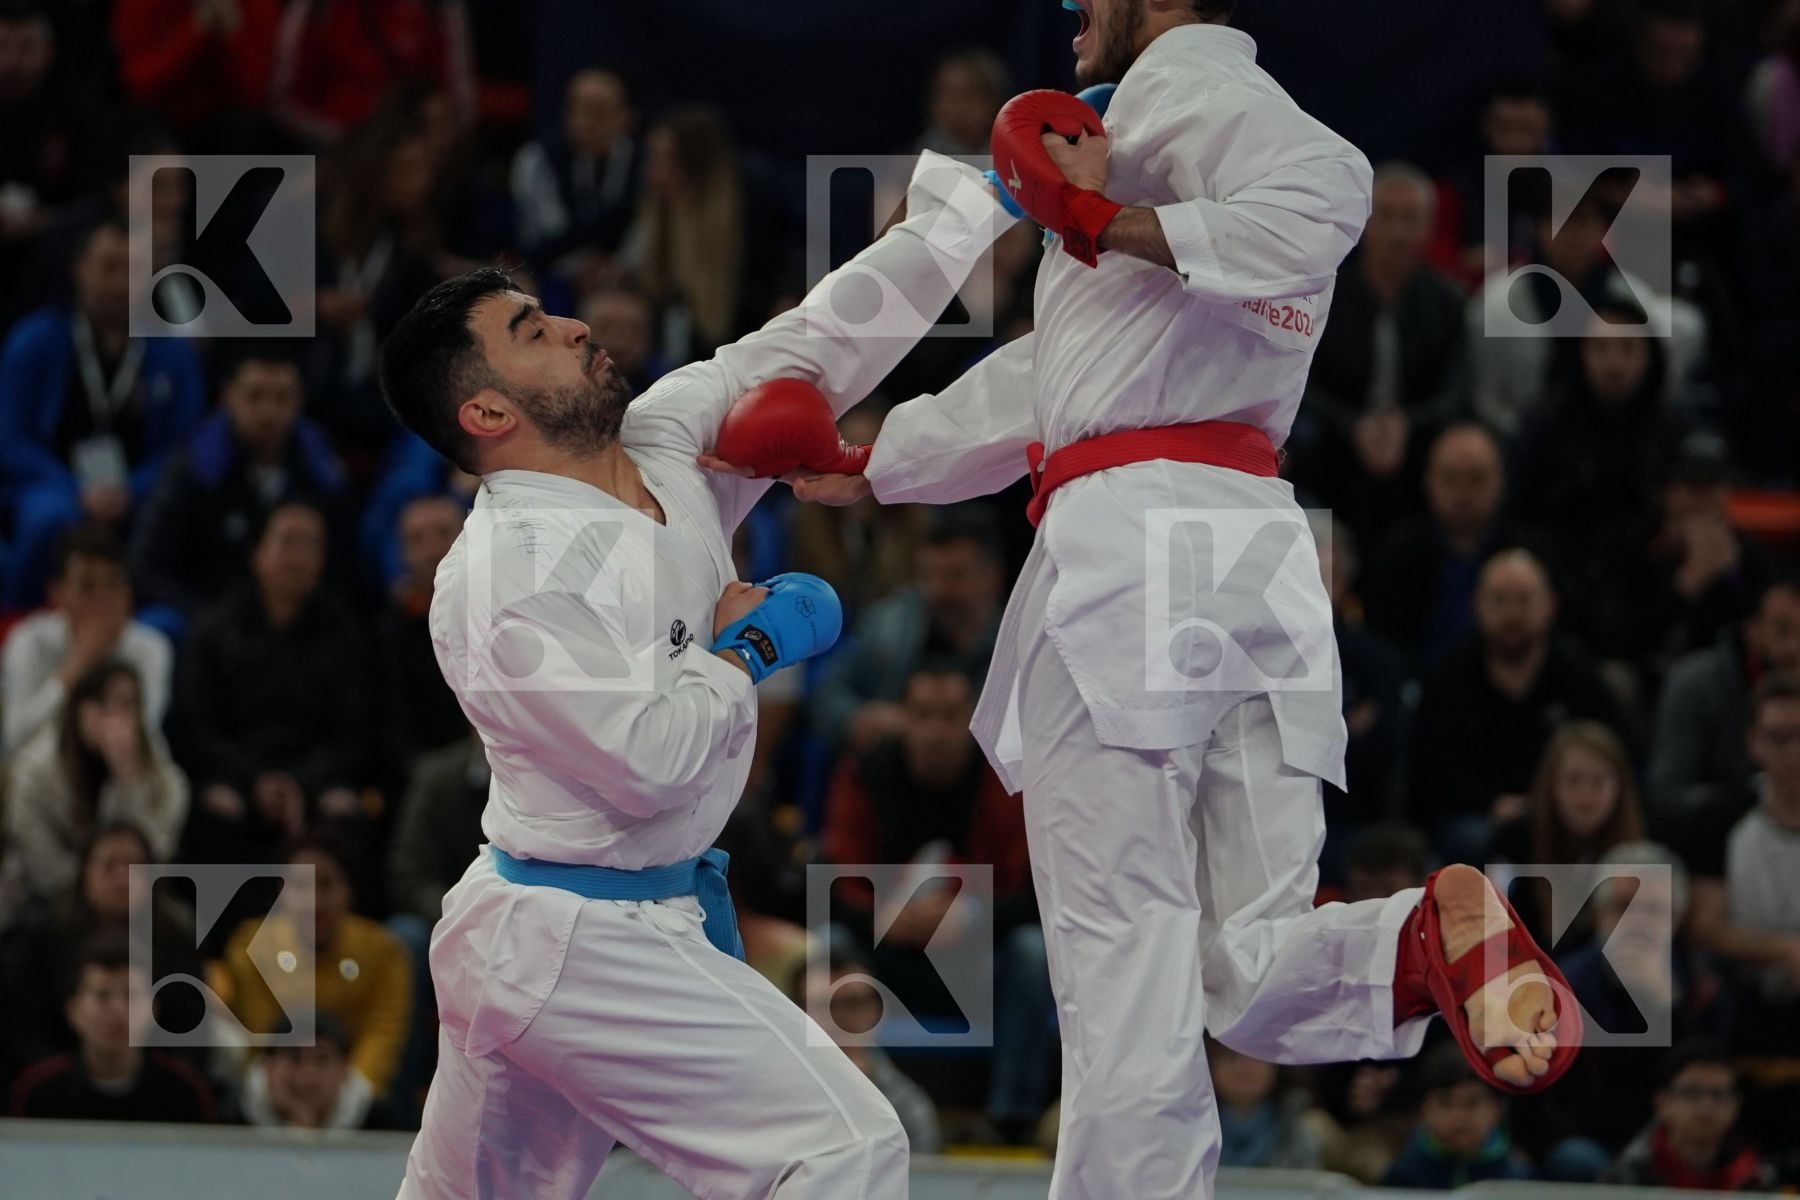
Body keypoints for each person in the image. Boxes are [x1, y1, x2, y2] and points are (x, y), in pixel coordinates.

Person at [720, 6, 1583, 1197]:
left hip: (1137, 541)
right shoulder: (1150, 169)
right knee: (1249, 963)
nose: (1072, 11)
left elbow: (1324, 198)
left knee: (1125, 961)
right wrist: (880, 459)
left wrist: (1093, 214)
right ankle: (1415, 941)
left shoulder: (1194, 122)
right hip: (1248, 555)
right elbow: (1057, 377)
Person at [380, 149, 1010, 1199]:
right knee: (846, 1147)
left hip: (607, 920)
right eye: (532, 333)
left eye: (551, 312)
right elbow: (648, 766)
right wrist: (751, 647)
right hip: (569, 938)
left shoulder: (665, 436)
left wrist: (970, 210)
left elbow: (822, 340)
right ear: (487, 415)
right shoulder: (500, 579)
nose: (577, 325)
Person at [821, 661, 1053, 1142]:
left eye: (950, 716)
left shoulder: (1004, 775)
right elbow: (830, 883)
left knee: (1034, 952)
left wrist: (974, 916)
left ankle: (1013, 1121)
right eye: (923, 714)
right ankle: (833, 1106)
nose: (936, 731)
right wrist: (880, 918)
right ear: (902, 717)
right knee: (829, 946)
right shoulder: (867, 771)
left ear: (972, 720)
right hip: (890, 959)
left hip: (978, 961)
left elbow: (1039, 892)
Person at [0, 217, 207, 608]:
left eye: (132, 270)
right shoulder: (34, 341)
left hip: (140, 490)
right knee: (48, 519)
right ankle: (14, 630)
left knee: (183, 527)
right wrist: (76, 491)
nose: (119, 283)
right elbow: (11, 439)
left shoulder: (174, 355)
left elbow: (186, 444)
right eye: (108, 267)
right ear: (79, 269)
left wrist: (133, 489)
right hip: (53, 485)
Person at [176, 500, 372, 865]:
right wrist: (257, 780)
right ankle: (227, 923)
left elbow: (353, 734)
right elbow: (198, 730)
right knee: (216, 808)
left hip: (317, 779)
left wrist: (300, 782)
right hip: (238, 775)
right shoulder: (213, 630)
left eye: (310, 544)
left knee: (345, 808)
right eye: (287, 541)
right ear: (257, 553)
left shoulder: (345, 633)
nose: (297, 557)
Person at [1407, 550, 1633, 863]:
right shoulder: (1448, 679)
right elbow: (1430, 773)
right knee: (1478, 840)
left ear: (1549, 606)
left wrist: (1548, 803)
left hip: (1564, 813)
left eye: (1524, 600)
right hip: (1476, 818)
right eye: (1499, 601)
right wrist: (1493, 805)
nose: (1512, 613)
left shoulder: (1579, 677)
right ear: (1477, 605)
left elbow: (1616, 753)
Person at [128, 342, 347, 630]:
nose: (268, 412)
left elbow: (343, 568)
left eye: (282, 398)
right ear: (227, 397)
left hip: (298, 623)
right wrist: (208, 618)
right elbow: (145, 565)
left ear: (299, 402)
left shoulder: (322, 474)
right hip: (207, 617)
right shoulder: (194, 468)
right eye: (255, 396)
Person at [216, 835, 412, 1099]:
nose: (315, 901)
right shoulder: (250, 946)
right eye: (301, 886)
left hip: (353, 1097)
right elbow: (260, 1039)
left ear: (349, 892)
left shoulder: (384, 953)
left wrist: (348, 1097)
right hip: (273, 1091)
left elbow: (381, 1035)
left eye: (327, 885)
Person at [809, 505, 1005, 752]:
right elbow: (826, 692)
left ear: (993, 576)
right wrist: (861, 717)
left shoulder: (1020, 641)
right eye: (931, 575)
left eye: (956, 575)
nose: (940, 590)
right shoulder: (887, 626)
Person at [2, 661, 188, 903]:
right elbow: (40, 862)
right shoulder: (34, 771)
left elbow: (156, 855)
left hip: (137, 900)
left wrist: (128, 779)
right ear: (76, 708)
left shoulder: (163, 775)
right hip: (49, 900)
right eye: (101, 703)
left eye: (127, 705)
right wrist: (97, 890)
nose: (114, 717)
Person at [1688, 674, 1800, 1056]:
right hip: (1746, 995)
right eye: (1779, 738)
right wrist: (1786, 951)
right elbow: (1707, 926)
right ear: (1754, 743)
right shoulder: (1723, 818)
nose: (1794, 753)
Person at [1361, 422, 1527, 672]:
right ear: (1428, 481)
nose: (1463, 492)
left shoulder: (1527, 558)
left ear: (1500, 481)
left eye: (1476, 478)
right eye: (1450, 478)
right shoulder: (1395, 556)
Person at [8, 931, 216, 1123]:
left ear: (153, 1010)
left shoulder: (184, 1094)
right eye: (102, 996)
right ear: (73, 1010)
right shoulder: (38, 1093)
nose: (117, 1010)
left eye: (131, 996)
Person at [1, 525, 172, 756]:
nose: (103, 599)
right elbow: (16, 740)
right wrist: (79, 663)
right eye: (87, 586)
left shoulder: (150, 648)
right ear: (57, 593)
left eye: (113, 583)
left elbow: (145, 739)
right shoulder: (29, 641)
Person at [1488, 720, 1646, 950]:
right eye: (1573, 780)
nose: (1585, 794)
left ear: (1620, 787)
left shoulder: (1638, 851)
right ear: (1551, 785)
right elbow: (1493, 917)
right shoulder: (1514, 840)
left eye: (1598, 781)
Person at [794, 952, 941, 1154]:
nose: (838, 1018)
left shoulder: (906, 1107)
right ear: (794, 1012)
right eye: (821, 1005)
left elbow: (921, 1180)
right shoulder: (770, 1093)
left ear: (875, 1009)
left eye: (853, 1002)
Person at [511, 69, 641, 282]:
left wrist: (617, 264)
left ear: (626, 117)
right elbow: (545, 239)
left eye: (600, 112)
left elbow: (646, 232)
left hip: (624, 279)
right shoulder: (538, 159)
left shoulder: (644, 162)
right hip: (553, 278)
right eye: (580, 110)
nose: (589, 122)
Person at [376, 495, 470, 783]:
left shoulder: (507, 617)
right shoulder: (390, 635)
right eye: (417, 539)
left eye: (444, 534)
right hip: (429, 777)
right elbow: (393, 732)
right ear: (403, 553)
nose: (433, 550)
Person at [1607, 1041, 1777, 1191]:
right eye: (1692, 1093)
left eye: (1718, 1094)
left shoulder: (1756, 1179)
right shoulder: (1626, 1177)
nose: (1706, 1106)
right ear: (1662, 1103)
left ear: (1736, 1105)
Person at [1382, 1045, 1534, 1188]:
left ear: (1498, 1108)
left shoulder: (1518, 1177)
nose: (1458, 1115)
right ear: (1422, 1109)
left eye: (1472, 1103)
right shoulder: (1403, 1174)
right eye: (1445, 1102)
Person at [236, 1012, 411, 1131]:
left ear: (344, 1069)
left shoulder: (382, 1123)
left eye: (322, 1059)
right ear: (268, 1067)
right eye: (294, 1058)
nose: (308, 1073)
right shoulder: (231, 1118)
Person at [1207, 1037, 1326, 1169]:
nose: (1244, 1067)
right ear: (1209, 1065)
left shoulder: (1301, 1125)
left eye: (1255, 1056)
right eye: (1230, 1057)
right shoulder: (1190, 1127)